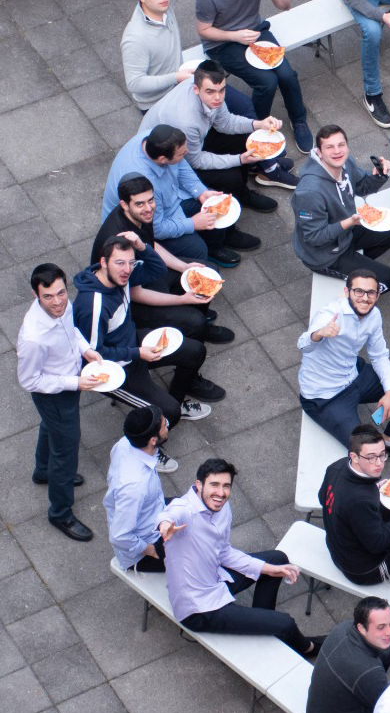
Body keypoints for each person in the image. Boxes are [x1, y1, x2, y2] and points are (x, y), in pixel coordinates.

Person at [160, 458, 322, 656]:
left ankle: (266, 626)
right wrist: (165, 524)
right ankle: (308, 649)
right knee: (286, 623)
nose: (221, 493)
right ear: (199, 485)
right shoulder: (186, 511)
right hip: (199, 609)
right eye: (214, 485)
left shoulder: (221, 508)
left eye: (226, 486)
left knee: (277, 559)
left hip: (215, 579)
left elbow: (224, 552)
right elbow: (172, 513)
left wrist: (270, 569)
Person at [74, 235, 224, 426]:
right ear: (103, 262)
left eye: (131, 262)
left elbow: (158, 269)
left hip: (133, 343)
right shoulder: (93, 306)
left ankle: (176, 400)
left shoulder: (119, 276)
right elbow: (95, 355)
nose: (127, 270)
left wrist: (142, 247)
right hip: (115, 368)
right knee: (169, 413)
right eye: (120, 262)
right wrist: (138, 353)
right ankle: (152, 443)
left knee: (195, 352)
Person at [121, 0, 259, 116]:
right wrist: (176, 77)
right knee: (212, 130)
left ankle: (262, 134)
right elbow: (135, 83)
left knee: (245, 107)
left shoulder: (163, 3)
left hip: (181, 81)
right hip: (158, 101)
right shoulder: (135, 38)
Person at [195, 0, 312, 153]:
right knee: (267, 82)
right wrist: (234, 36)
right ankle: (256, 128)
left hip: (255, 30)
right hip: (223, 43)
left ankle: (299, 119)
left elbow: (286, 5)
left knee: (286, 74)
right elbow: (203, 30)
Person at [299, 271, 390, 460]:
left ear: (377, 295)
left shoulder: (374, 315)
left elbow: (379, 355)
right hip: (325, 396)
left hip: (355, 374)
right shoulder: (330, 315)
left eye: (371, 293)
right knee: (367, 450)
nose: (365, 298)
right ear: (347, 292)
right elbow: (302, 345)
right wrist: (318, 334)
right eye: (358, 291)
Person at [92, 173, 233, 344]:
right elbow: (135, 293)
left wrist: (183, 267)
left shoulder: (140, 214)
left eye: (150, 200)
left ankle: (198, 319)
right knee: (194, 321)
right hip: (127, 300)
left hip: (146, 270)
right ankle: (195, 330)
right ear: (124, 205)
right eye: (140, 204)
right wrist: (181, 300)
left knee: (206, 272)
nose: (148, 208)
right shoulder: (120, 241)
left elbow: (150, 244)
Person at [17, 263, 103, 542]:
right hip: (54, 392)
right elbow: (29, 381)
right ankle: (60, 513)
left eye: (61, 293)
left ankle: (43, 471)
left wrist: (86, 350)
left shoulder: (62, 306)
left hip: (71, 379)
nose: (58, 302)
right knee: (66, 453)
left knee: (50, 430)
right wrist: (74, 382)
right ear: (35, 295)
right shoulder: (33, 338)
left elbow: (71, 331)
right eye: (48, 297)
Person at [141, 63, 298, 212]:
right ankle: (240, 197)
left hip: (195, 139)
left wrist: (258, 124)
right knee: (232, 177)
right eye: (211, 92)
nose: (218, 98)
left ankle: (246, 179)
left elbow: (225, 123)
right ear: (196, 89)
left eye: (222, 90)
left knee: (247, 140)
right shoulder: (186, 121)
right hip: (173, 157)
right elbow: (196, 161)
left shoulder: (211, 95)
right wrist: (239, 159)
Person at [103, 124, 239, 268]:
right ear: (163, 159)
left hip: (169, 199)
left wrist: (200, 192)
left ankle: (216, 243)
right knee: (198, 249)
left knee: (214, 206)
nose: (186, 152)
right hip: (142, 225)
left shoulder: (154, 139)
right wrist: (193, 223)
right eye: (181, 153)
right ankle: (194, 264)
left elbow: (181, 164)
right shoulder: (146, 189)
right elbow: (157, 228)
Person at [292, 125, 390, 292]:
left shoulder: (346, 163)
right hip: (326, 255)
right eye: (330, 147)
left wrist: (380, 175)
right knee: (389, 279)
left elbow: (362, 186)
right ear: (319, 153)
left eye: (341, 145)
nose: (337, 151)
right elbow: (314, 237)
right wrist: (348, 222)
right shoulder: (309, 193)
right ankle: (354, 289)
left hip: (347, 232)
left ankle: (356, 266)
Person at [306, 596, 390, 713]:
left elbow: (372, 648)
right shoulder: (368, 672)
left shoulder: (344, 628)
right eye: (381, 627)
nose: (389, 631)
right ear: (362, 628)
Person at [319, 425, 390, 584]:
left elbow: (321, 497)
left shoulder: (337, 467)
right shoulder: (359, 501)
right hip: (364, 569)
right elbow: (378, 544)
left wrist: (374, 491)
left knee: (388, 507)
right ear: (355, 456)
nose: (379, 463)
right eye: (371, 457)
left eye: (382, 455)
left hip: (337, 548)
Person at [104, 406, 180, 573]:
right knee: (201, 557)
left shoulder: (124, 443)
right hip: (147, 548)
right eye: (164, 425)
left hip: (153, 513)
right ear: (153, 440)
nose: (167, 423)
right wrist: (152, 551)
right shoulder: (135, 487)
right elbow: (119, 536)